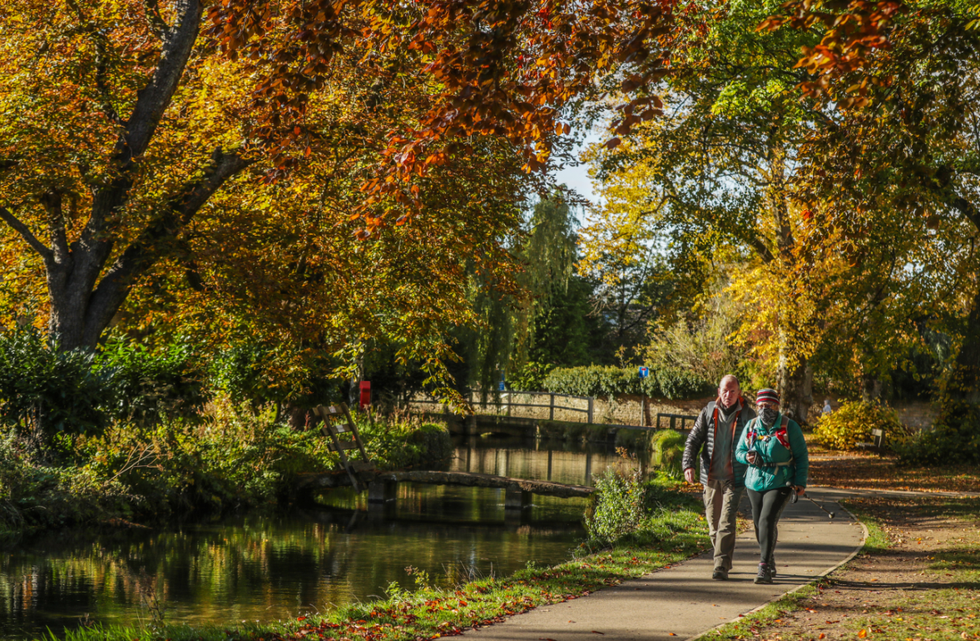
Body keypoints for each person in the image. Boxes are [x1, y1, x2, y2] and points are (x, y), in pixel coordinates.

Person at [682, 374, 756, 580]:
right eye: (725, 390)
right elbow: (693, 440)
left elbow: (756, 443)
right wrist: (688, 464)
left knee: (726, 522)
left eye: (733, 391)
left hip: (735, 477)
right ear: (719, 392)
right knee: (713, 525)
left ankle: (720, 566)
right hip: (711, 476)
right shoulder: (708, 412)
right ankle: (722, 558)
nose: (728, 395)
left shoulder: (749, 415)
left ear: (739, 393)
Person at [735, 388, 809, 584]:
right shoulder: (751, 426)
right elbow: (739, 451)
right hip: (754, 481)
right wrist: (746, 457)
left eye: (767, 406)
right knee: (759, 524)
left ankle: (764, 567)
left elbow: (801, 456)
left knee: (767, 519)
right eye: (760, 406)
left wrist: (800, 482)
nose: (763, 410)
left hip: (781, 480)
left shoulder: (789, 426)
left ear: (776, 406)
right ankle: (769, 556)